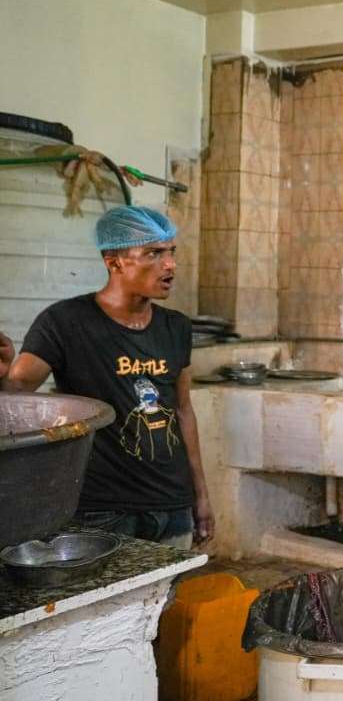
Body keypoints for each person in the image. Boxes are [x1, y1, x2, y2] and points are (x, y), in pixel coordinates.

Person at [2, 206, 214, 549]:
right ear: (114, 262)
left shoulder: (176, 327)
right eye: (154, 253)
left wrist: (200, 495)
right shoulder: (64, 322)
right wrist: (2, 374)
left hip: (172, 505)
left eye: (171, 252)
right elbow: (16, 393)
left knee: (169, 586)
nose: (170, 265)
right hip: (102, 509)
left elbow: (183, 411)